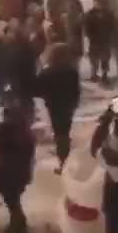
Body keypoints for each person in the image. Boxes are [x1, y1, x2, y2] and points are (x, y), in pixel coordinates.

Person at [0, 97, 36, 233]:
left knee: (12, 202)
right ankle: (20, 222)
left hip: (6, 176)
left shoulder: (5, 130)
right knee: (14, 201)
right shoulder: (26, 132)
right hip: (20, 175)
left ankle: (17, 225)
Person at [35, 43, 81, 174]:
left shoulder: (47, 72)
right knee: (64, 132)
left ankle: (64, 162)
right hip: (68, 105)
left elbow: (36, 89)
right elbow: (76, 90)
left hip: (54, 106)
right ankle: (65, 158)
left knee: (60, 134)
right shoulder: (72, 71)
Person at [85, 0, 115, 84]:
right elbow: (87, 28)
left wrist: (110, 36)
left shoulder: (109, 14)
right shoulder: (90, 14)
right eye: (96, 3)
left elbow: (112, 26)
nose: (97, 5)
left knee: (105, 59)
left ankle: (104, 75)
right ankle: (94, 75)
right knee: (94, 59)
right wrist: (90, 37)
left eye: (99, 3)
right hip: (94, 41)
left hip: (105, 40)